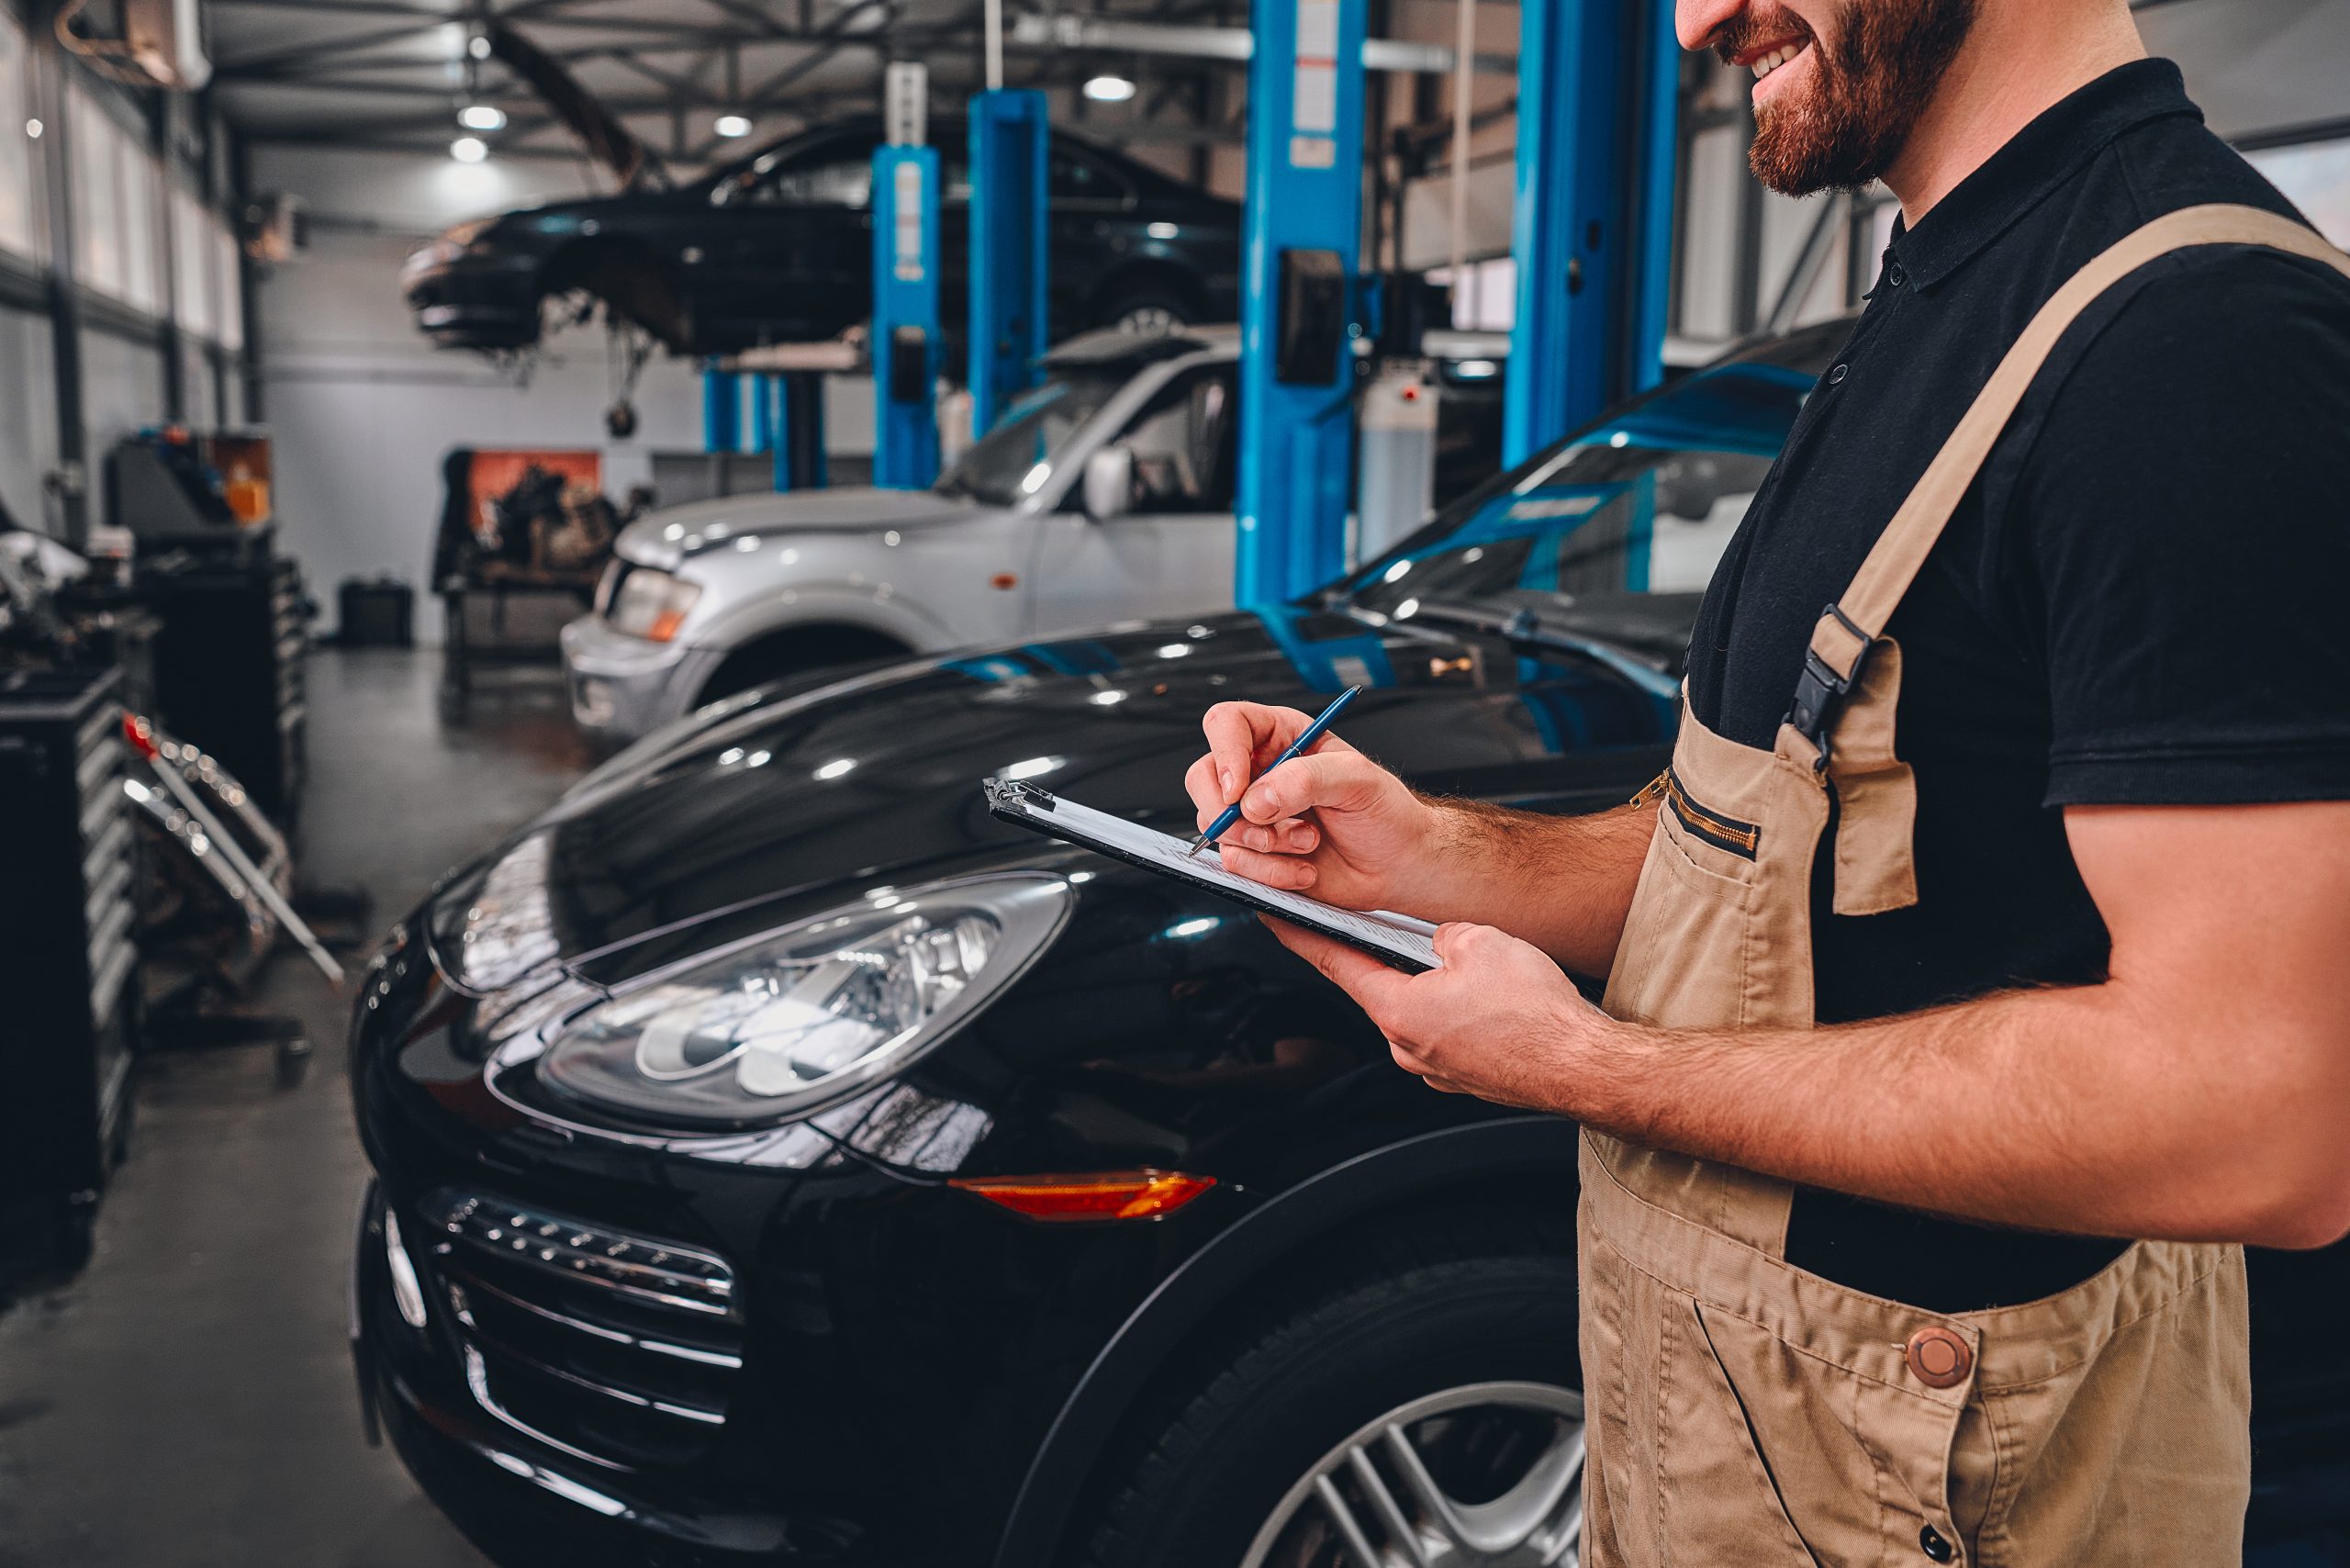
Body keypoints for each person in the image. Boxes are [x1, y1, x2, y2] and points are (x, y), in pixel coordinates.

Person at [1184, 2, 2350, 1564]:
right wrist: (1435, 856)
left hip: (1928, 1482)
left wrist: (1578, 1066)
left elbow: (2260, 1118)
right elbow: (1788, 857)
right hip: (1759, 1436)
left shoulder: (2199, 344)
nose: (1696, 19)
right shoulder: (1952, 277)